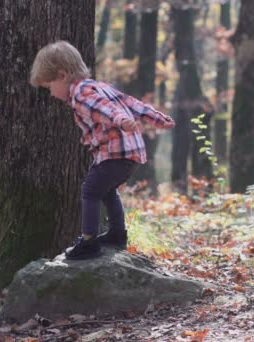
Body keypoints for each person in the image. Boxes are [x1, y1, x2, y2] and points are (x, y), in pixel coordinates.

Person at [29, 40, 175, 260]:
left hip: (115, 153)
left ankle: (89, 242)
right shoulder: (100, 86)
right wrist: (156, 118)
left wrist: (119, 118)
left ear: (62, 75)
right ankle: (117, 234)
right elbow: (132, 102)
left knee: (90, 190)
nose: (50, 93)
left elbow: (103, 108)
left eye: (49, 87)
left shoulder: (80, 93)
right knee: (106, 191)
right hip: (130, 154)